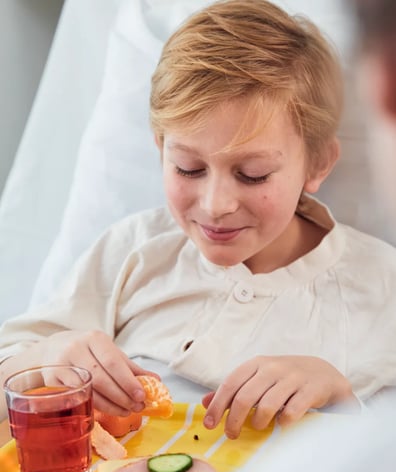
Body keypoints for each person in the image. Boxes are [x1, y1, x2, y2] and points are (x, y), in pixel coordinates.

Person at [0, 0, 396, 436]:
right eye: (188, 168)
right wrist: (46, 358)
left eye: (253, 175)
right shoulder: (133, 251)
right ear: (160, 149)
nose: (215, 204)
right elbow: (12, 369)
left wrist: (341, 399)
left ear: (318, 163)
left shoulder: (380, 288)